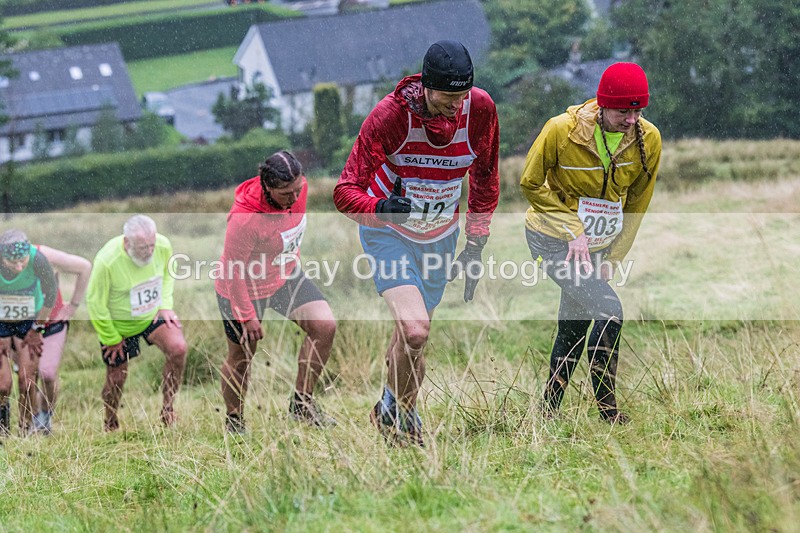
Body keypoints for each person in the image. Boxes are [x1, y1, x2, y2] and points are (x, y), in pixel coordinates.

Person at [334, 40, 500, 445]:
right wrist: (382, 208)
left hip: (440, 239)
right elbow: (345, 191)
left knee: (407, 344)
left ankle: (389, 409)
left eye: (462, 95)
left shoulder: (479, 109)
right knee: (415, 331)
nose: (456, 105)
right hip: (389, 233)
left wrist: (475, 244)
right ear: (426, 85)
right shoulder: (390, 117)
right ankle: (407, 421)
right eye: (448, 96)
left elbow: (484, 179)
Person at [519, 62, 662, 424]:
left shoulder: (649, 140)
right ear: (602, 104)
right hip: (549, 239)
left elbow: (636, 205)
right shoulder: (560, 130)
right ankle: (607, 409)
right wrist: (572, 229)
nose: (632, 120)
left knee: (574, 325)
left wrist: (613, 257)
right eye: (622, 111)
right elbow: (529, 184)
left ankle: (547, 411)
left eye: (638, 110)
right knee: (609, 310)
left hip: (598, 245)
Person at [216, 150, 337, 434]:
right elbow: (234, 271)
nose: (295, 198)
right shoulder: (244, 219)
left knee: (325, 326)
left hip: (283, 276)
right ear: (267, 186)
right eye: (286, 194)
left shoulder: (300, 189)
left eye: (298, 189)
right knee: (242, 354)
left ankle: (302, 405)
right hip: (242, 286)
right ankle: (235, 421)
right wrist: (246, 316)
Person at [86, 215, 187, 431]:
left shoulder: (162, 245)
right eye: (143, 247)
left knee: (178, 348)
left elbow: (168, 274)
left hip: (150, 315)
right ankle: (110, 421)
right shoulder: (107, 261)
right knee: (117, 377)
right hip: (118, 326)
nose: (149, 251)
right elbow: (95, 303)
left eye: (151, 245)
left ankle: (168, 409)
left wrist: (165, 305)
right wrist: (111, 338)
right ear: (126, 243)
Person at [28, 245, 92, 434]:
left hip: (52, 323)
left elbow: (84, 267)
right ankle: (30, 421)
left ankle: (45, 418)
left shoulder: (45, 255)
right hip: (22, 328)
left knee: (47, 373)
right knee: (27, 377)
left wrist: (72, 306)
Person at [0, 230, 58, 436]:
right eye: (12, 263)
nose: (19, 267)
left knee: (26, 380)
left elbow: (51, 293)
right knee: (3, 384)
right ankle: (2, 426)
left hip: (29, 319)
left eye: (22, 262)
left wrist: (38, 328)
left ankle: (25, 428)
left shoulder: (37, 259)